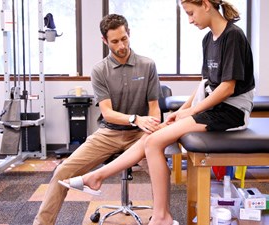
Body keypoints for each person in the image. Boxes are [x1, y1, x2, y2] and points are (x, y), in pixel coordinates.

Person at [61, 0, 254, 224]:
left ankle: (161, 215)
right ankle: (96, 177)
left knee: (153, 142)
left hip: (231, 111)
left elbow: (226, 88)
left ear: (206, 5)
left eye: (191, 13)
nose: (190, 20)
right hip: (214, 107)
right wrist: (181, 111)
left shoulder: (233, 36)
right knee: (152, 138)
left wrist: (189, 112)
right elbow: (205, 84)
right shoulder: (208, 39)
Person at [33, 14, 163, 225]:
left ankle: (161, 218)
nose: (121, 45)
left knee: (161, 172)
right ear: (105, 41)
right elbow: (108, 112)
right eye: (114, 41)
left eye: (124, 38)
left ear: (129, 34)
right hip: (109, 133)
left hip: (140, 135)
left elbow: (154, 107)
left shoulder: (147, 65)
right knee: (63, 171)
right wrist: (135, 119)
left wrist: (153, 128)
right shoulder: (99, 70)